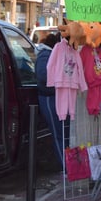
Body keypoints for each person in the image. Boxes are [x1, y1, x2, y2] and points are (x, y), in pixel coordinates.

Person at [35, 33, 67, 167]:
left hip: (57, 96)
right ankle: (65, 166)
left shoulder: (49, 55)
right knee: (59, 133)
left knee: (62, 133)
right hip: (50, 97)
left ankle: (67, 165)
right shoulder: (45, 56)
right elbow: (43, 76)